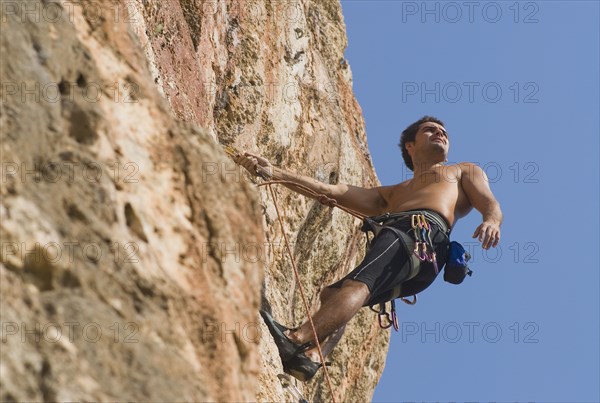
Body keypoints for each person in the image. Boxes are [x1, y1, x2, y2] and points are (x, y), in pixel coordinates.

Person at [235, 116, 502, 381]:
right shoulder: (393, 193)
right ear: (410, 145)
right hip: (420, 258)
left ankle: (297, 337)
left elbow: (489, 202)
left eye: (444, 131)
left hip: (417, 233)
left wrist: (491, 220)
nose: (441, 134)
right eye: (430, 130)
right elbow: (332, 191)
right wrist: (275, 173)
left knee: (357, 286)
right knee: (333, 294)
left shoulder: (463, 171)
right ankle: (312, 356)